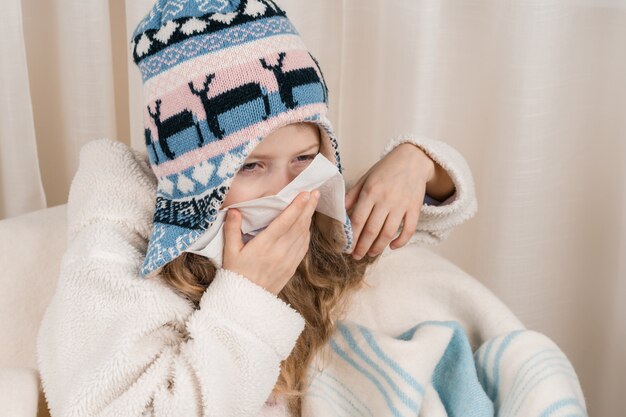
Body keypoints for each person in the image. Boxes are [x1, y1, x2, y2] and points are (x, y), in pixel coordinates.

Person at [36, 1, 479, 416]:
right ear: (197, 181)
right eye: (250, 166)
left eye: (304, 158)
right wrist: (247, 294)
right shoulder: (115, 257)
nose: (287, 191)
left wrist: (417, 163)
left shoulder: (313, 203)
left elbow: (423, 214)